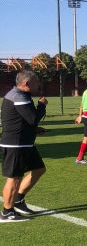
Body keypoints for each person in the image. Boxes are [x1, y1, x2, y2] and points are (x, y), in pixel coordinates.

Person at [1, 70, 47, 222]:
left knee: (39, 169)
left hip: (24, 143)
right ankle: (7, 212)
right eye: (36, 81)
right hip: (16, 144)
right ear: (27, 84)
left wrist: (34, 130)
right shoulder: (19, 96)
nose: (38, 84)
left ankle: (19, 200)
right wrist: (41, 106)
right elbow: (32, 119)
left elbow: (23, 120)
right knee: (14, 178)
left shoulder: (21, 94)